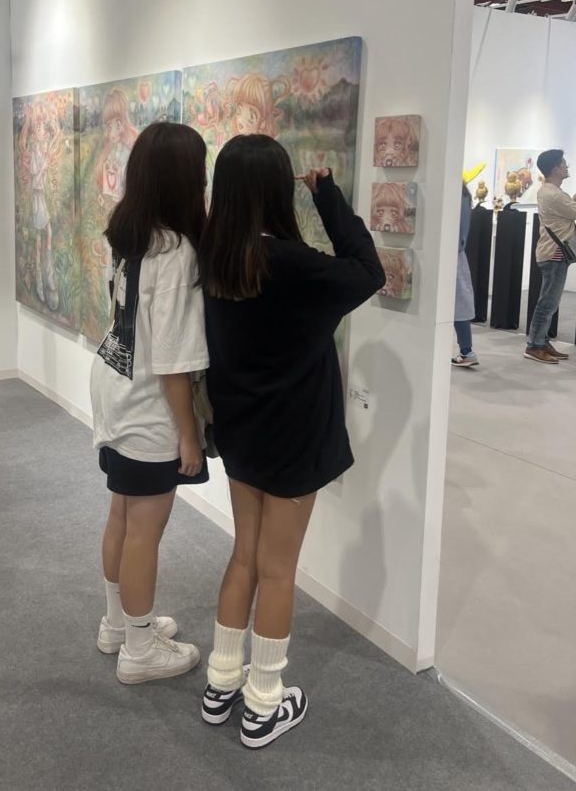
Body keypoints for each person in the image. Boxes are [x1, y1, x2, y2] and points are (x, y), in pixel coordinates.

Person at [197, 135, 385, 748]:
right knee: (278, 571)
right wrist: (328, 197)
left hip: (241, 433)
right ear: (279, 190)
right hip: (294, 439)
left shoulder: (217, 261)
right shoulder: (295, 266)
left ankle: (221, 684)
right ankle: (263, 703)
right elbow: (369, 271)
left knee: (245, 558)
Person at [90, 121, 211, 684]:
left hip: (114, 387)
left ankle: (118, 624)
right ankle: (139, 651)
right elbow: (173, 360)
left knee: (122, 511)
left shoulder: (128, 232)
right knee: (145, 527)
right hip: (147, 404)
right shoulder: (177, 250)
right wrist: (188, 435)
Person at [525, 149, 576, 364]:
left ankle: (541, 341)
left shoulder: (551, 191)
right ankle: (534, 346)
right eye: (563, 163)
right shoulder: (552, 194)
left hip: (553, 253)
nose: (566, 166)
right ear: (555, 168)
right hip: (554, 254)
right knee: (547, 303)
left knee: (550, 303)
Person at [452, 183, 478, 367]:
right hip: (457, 255)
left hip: (450, 255)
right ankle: (466, 350)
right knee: (459, 304)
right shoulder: (463, 195)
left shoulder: (455, 195)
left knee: (458, 305)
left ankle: (466, 351)